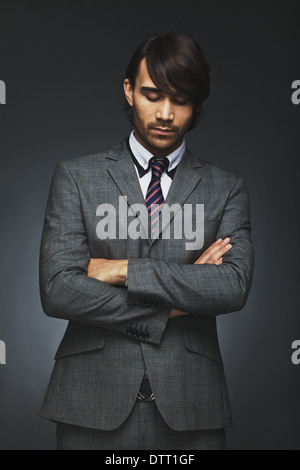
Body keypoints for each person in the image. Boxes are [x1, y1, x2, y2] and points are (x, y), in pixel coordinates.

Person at [39, 30, 254, 450]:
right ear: (129, 90)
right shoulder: (76, 177)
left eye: (182, 99)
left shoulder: (225, 188)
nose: (166, 113)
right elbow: (58, 290)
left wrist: (122, 270)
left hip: (192, 406)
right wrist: (175, 303)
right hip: (89, 403)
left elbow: (232, 285)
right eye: (153, 95)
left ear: (197, 104)